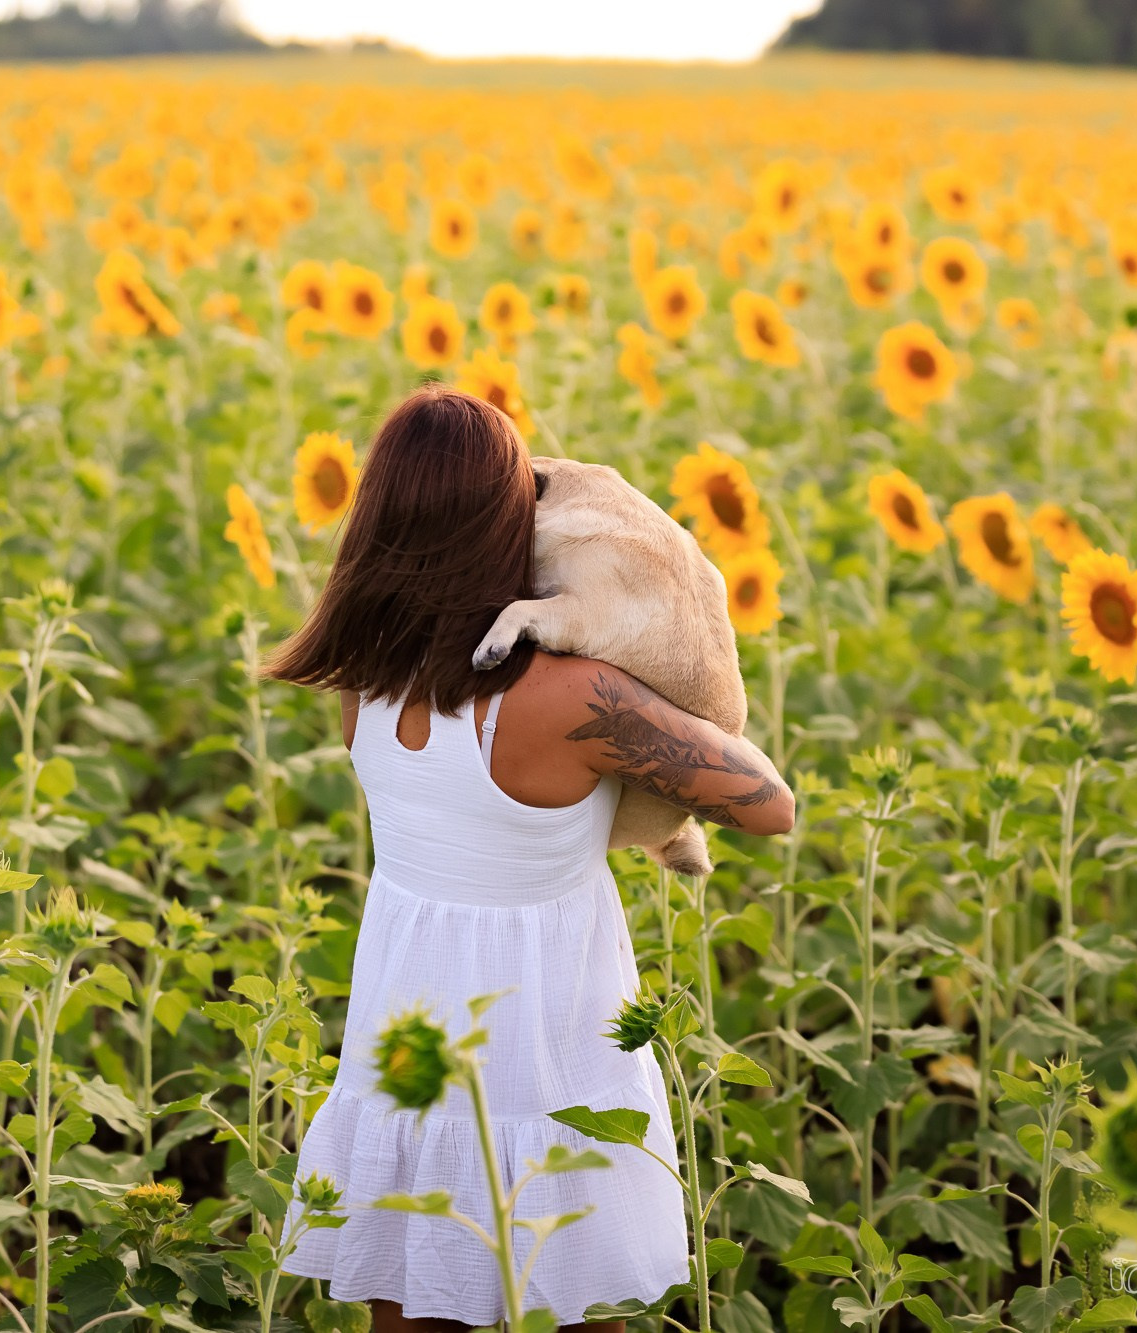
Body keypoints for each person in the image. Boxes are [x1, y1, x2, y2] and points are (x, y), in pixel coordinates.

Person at [265, 384, 795, 1331]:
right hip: (553, 1038)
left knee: (412, 1293)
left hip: (410, 1027)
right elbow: (766, 803)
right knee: (576, 1294)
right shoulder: (571, 697)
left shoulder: (363, 685)